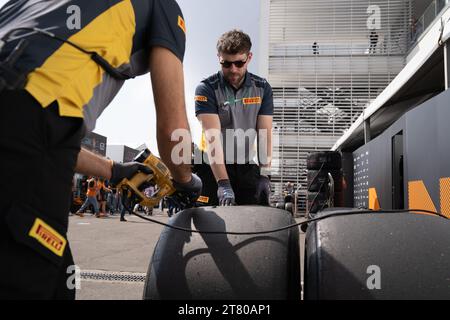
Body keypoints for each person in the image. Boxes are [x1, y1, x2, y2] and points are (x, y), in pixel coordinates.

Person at [0, 0, 202, 299]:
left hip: (25, 122)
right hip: (26, 117)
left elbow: (46, 138)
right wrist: (185, 181)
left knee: (58, 275)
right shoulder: (162, 7)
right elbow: (174, 130)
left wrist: (115, 170)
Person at [194, 29, 273, 207]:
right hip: (211, 166)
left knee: (255, 221)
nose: (233, 69)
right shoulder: (206, 88)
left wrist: (264, 174)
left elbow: (265, 133)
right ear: (219, 58)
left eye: (239, 63)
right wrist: (223, 184)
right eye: (226, 64)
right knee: (209, 223)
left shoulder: (262, 88)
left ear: (249, 57)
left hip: (246, 166)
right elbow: (211, 137)